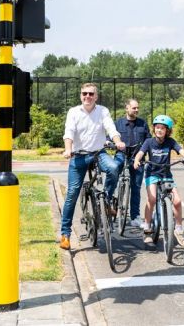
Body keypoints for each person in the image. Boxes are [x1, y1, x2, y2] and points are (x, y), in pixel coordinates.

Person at [60, 83, 125, 250]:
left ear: (96, 96)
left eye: (90, 94)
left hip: (98, 153)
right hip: (79, 156)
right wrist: (68, 149)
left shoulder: (102, 111)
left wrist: (118, 142)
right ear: (80, 95)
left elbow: (111, 128)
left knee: (113, 168)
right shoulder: (74, 112)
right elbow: (69, 132)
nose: (87, 96)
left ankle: (107, 200)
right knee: (72, 192)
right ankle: (65, 234)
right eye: (84, 94)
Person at [133, 115, 184, 247]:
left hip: (166, 175)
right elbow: (141, 153)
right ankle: (147, 228)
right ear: (154, 129)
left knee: (177, 201)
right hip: (152, 174)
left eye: (162, 128)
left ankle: (178, 229)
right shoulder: (149, 142)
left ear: (167, 130)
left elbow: (180, 149)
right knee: (152, 199)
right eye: (157, 127)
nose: (159, 130)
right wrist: (137, 160)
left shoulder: (170, 141)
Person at [114, 99, 151, 227]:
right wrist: (110, 143)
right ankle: (111, 205)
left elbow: (149, 141)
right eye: (134, 108)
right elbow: (110, 137)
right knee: (113, 175)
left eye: (137, 108)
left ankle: (135, 217)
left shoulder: (142, 123)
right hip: (121, 156)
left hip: (138, 159)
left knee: (136, 188)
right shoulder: (118, 123)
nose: (136, 110)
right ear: (127, 108)